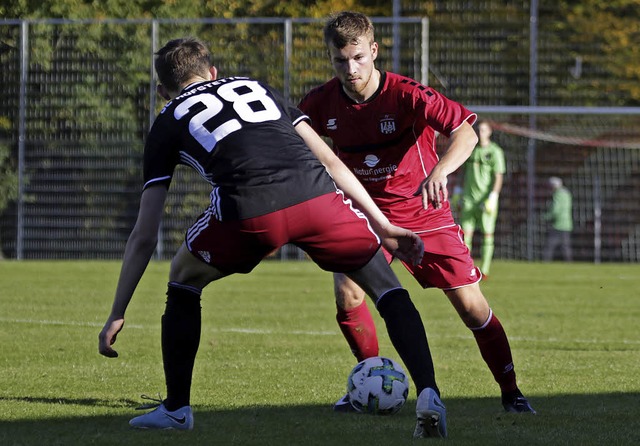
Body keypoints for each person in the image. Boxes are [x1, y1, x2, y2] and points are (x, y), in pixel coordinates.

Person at [98, 37, 448, 438]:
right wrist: (383, 227)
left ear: (162, 91)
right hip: (319, 200)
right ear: (213, 72)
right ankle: (429, 392)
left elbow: (145, 233)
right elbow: (330, 160)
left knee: (182, 276)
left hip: (251, 212)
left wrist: (117, 311)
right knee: (385, 284)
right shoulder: (256, 87)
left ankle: (176, 409)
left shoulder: (167, 118)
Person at [298, 11, 535, 416]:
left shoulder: (407, 94)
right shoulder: (320, 103)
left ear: (373, 50)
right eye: (340, 61)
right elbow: (296, 144)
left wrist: (441, 170)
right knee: (347, 292)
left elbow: (465, 132)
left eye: (358, 57)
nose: (350, 68)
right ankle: (368, 381)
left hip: (425, 214)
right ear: (331, 59)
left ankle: (511, 392)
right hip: (365, 217)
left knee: (471, 308)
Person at [453, 119, 506, 279]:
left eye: (483, 130)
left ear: (489, 132)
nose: (480, 133)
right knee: (465, 234)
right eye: (478, 130)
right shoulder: (470, 150)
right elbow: (462, 171)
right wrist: (457, 191)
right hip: (469, 198)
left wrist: (493, 196)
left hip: (486, 200)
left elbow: (498, 176)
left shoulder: (495, 151)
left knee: (487, 234)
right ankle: (467, 268)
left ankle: (485, 270)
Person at [543, 176, 573, 261]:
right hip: (567, 224)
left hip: (558, 224)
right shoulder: (567, 194)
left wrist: (545, 217)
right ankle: (569, 264)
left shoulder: (558, 194)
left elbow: (555, 210)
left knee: (549, 246)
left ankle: (546, 263)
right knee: (566, 247)